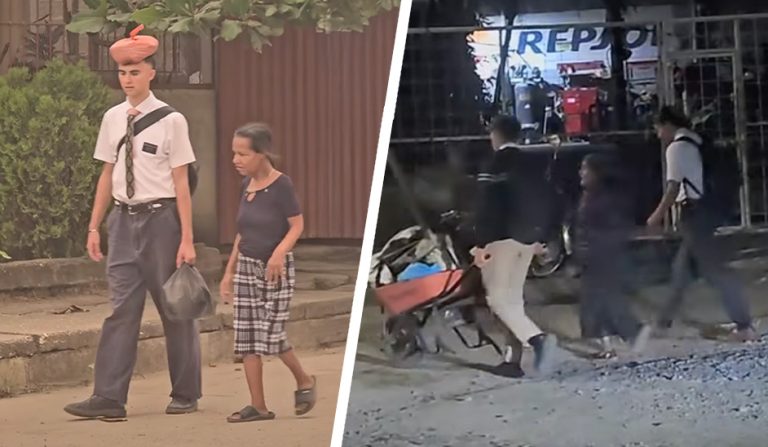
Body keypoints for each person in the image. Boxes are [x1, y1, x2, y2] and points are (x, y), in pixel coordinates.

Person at [64, 26, 201, 420]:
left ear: (151, 73)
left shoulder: (172, 121)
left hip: (162, 222)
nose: (128, 79)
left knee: (175, 306)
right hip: (123, 223)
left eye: (135, 72)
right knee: (121, 309)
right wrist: (94, 226)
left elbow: (181, 183)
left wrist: (187, 239)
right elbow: (106, 175)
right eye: (123, 73)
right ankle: (109, 397)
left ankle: (185, 392)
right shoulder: (112, 118)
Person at [219, 123, 317, 422]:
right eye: (234, 153)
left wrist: (278, 253)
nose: (236, 160)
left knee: (271, 336)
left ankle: (305, 380)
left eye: (243, 154)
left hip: (275, 271)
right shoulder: (244, 186)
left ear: (262, 154)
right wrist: (228, 272)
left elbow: (297, 225)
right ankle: (258, 406)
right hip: (247, 267)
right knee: (247, 339)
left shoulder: (281, 185)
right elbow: (242, 233)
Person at [647, 106, 757, 342]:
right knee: (681, 270)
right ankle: (662, 323)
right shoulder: (697, 141)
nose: (658, 134)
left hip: (695, 214)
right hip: (705, 211)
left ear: (667, 125)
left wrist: (656, 216)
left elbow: (673, 187)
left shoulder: (676, 148)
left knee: (715, 272)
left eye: (657, 128)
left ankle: (745, 325)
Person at [472, 114, 559, 377]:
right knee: (513, 301)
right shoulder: (533, 162)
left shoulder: (495, 163)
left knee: (497, 299)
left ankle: (537, 339)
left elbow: (487, 206)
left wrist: (479, 244)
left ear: (494, 134)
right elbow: (553, 198)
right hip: (529, 239)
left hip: (503, 238)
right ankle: (513, 361)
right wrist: (544, 237)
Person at [575, 154, 652, 358]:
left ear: (596, 173)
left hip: (601, 254)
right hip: (599, 253)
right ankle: (610, 344)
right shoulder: (596, 194)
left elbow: (605, 227)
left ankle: (631, 332)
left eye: (585, 169)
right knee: (599, 300)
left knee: (599, 300)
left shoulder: (602, 197)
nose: (581, 173)